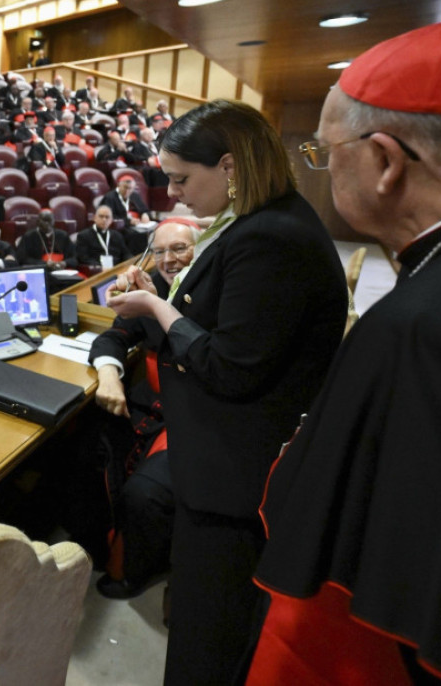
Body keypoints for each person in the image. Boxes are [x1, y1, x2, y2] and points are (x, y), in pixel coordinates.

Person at [247, 13, 441, 686]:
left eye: (326, 154)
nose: (323, 171)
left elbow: (366, 608)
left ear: (384, 161)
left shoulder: (418, 328)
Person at [104, 99, 347, 685]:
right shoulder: (262, 220)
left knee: (207, 636)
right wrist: (166, 288)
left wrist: (157, 305)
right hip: (222, 458)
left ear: (231, 167)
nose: (175, 193)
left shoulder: (273, 237)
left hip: (234, 475)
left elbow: (229, 364)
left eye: (184, 178)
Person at [85, 219, 198, 599]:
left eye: (180, 248)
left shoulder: (212, 293)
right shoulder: (152, 289)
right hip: (147, 408)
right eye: (162, 251)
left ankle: (133, 571)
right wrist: (108, 374)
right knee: (86, 450)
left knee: (144, 494)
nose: (170, 259)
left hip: (192, 418)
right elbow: (113, 336)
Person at [102, 174, 153, 253]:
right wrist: (128, 221)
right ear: (119, 185)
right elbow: (108, 216)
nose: (127, 191)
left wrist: (145, 214)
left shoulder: (135, 195)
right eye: (125, 187)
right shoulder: (110, 197)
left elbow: (144, 209)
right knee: (136, 235)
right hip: (122, 227)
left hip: (138, 224)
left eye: (130, 188)